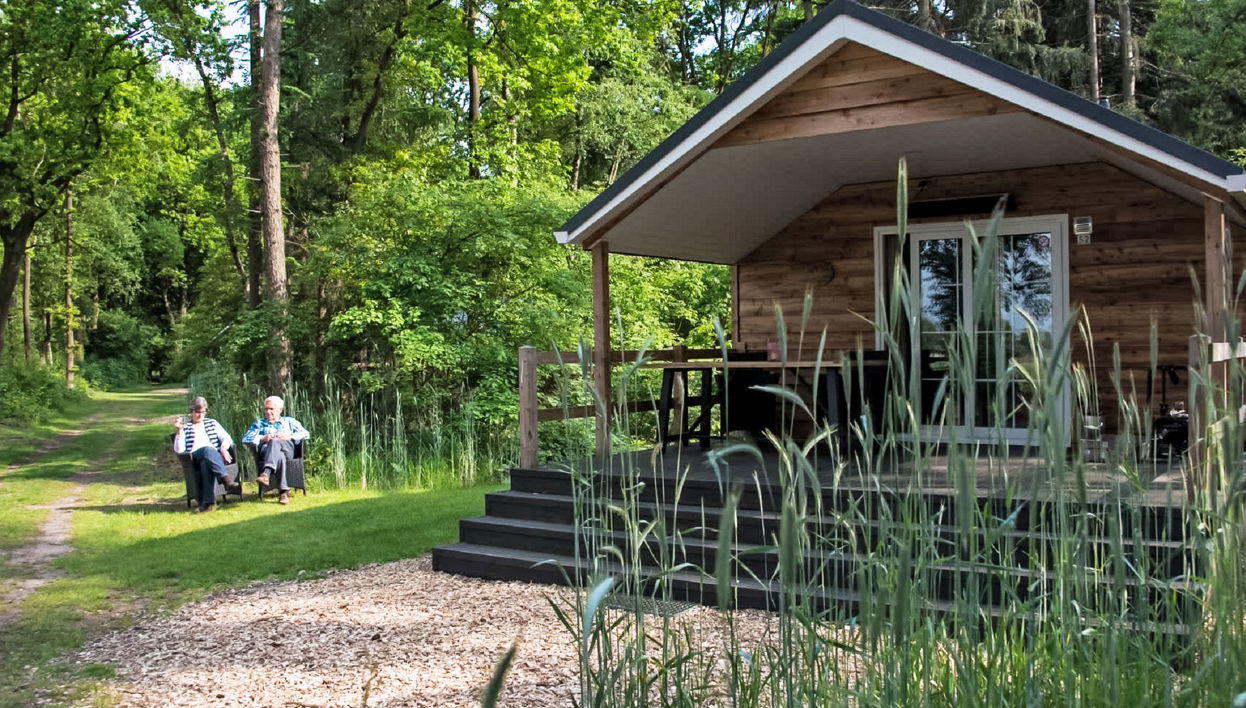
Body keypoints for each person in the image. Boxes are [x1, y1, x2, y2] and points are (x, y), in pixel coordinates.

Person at [241, 395, 310, 505]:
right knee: (279, 455)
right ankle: (283, 493)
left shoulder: (289, 422)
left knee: (276, 442)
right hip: (267, 453)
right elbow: (245, 438)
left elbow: (306, 434)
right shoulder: (259, 424)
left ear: (280, 410)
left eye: (271, 409)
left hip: (288, 450)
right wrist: (263, 438)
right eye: (266, 409)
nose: (268, 412)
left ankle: (266, 473)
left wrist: (289, 436)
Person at [172, 397, 235, 513]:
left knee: (206, 464)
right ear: (191, 411)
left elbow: (227, 438)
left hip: (212, 457)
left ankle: (208, 504)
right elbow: (179, 450)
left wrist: (223, 448)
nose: (200, 415)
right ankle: (226, 480)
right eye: (197, 412)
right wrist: (179, 431)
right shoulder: (185, 426)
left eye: (202, 412)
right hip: (194, 456)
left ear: (206, 412)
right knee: (207, 450)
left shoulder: (212, 423)